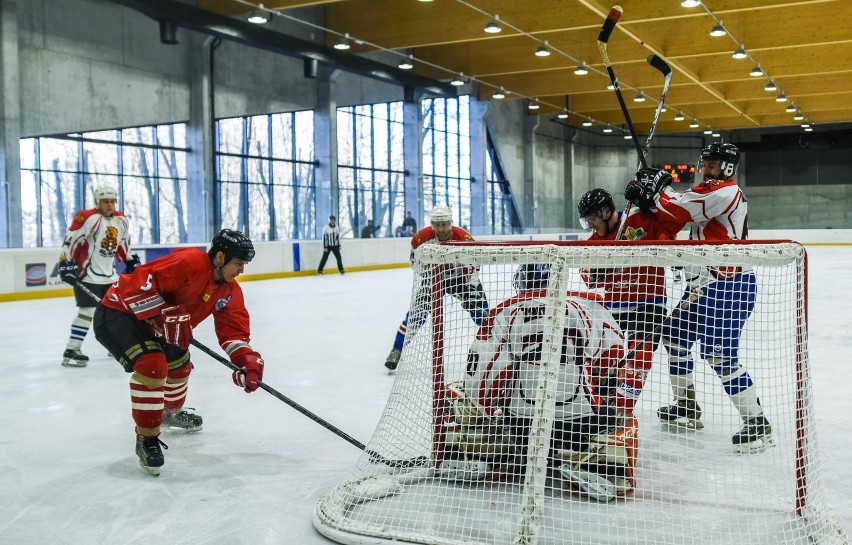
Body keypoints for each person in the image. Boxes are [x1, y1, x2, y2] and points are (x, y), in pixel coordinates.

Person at [439, 264, 637, 502]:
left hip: (522, 427)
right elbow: (613, 358)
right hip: (579, 427)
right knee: (622, 416)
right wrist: (597, 382)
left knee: (476, 403)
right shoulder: (587, 308)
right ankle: (599, 464)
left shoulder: (504, 314)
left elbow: (484, 374)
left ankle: (498, 454)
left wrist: (487, 410)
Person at [624, 142, 773, 453]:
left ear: (729, 168)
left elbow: (679, 212)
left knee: (719, 355)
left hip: (728, 285)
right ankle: (686, 406)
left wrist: (657, 190)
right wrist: (647, 200)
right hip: (701, 287)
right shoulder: (706, 189)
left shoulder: (725, 192)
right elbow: (671, 218)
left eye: (714, 164)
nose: (706, 169)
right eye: (705, 163)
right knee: (675, 336)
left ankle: (757, 422)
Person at [90, 229, 265, 475]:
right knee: (153, 366)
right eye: (238, 263)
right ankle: (147, 438)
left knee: (180, 364)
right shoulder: (190, 262)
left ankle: (169, 412)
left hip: (160, 323)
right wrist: (162, 312)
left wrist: (246, 360)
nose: (241, 270)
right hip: (119, 313)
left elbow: (234, 332)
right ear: (219, 257)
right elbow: (140, 283)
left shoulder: (229, 291)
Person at [576, 188, 672, 414]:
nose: (590, 226)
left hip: (649, 304)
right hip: (614, 311)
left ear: (606, 211)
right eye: (586, 221)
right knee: (609, 363)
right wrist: (596, 270)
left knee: (639, 358)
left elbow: (670, 228)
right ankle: (602, 407)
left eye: (592, 219)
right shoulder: (593, 243)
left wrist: (656, 203)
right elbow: (587, 277)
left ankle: (621, 411)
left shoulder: (639, 219)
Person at [384, 205, 488, 371]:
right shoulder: (421, 238)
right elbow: (414, 263)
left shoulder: (463, 237)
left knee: (481, 312)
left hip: (460, 279)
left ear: (450, 223)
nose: (441, 229)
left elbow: (475, 264)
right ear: (432, 224)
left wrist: (471, 288)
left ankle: (497, 348)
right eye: (437, 225)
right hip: (433, 278)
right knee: (416, 315)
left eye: (445, 224)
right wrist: (428, 271)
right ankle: (397, 349)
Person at [57, 186, 139, 367]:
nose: (109, 204)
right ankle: (72, 349)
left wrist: (130, 260)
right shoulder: (88, 218)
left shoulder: (121, 220)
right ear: (97, 202)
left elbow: (123, 242)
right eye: (105, 201)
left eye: (112, 201)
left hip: (110, 276)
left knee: (115, 312)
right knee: (87, 313)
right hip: (87, 275)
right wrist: (65, 263)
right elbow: (71, 239)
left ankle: (113, 346)